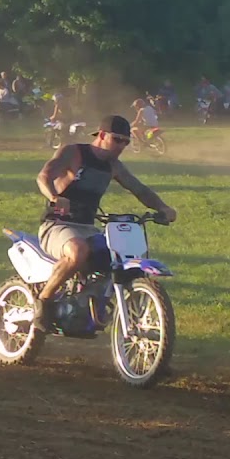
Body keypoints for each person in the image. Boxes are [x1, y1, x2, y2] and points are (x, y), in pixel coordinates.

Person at [33, 116, 177, 333]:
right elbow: (44, 176)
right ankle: (43, 302)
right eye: (118, 140)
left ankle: (88, 305)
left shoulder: (114, 166)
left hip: (87, 227)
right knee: (78, 250)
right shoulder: (74, 152)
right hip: (57, 224)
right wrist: (54, 197)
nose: (122, 146)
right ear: (101, 135)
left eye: (126, 142)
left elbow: (140, 189)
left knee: (117, 258)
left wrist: (163, 208)